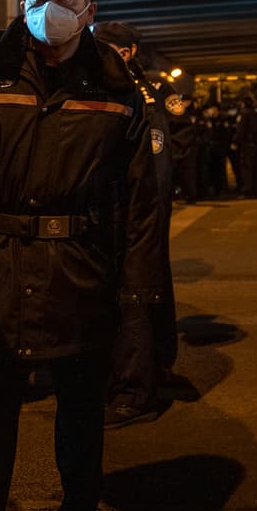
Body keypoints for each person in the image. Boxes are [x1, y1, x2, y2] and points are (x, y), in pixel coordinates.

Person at [0, 0, 163, 511]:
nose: (50, 9)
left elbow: (140, 202)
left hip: (80, 274)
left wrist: (136, 298)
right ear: (21, 5)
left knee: (80, 423)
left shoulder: (118, 86)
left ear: (89, 10)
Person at [92, 21, 177, 428]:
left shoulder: (140, 95)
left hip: (131, 217)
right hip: (119, 214)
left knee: (133, 304)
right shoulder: (118, 87)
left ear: (125, 52)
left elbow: (154, 170)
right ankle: (152, 371)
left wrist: (147, 224)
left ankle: (133, 393)